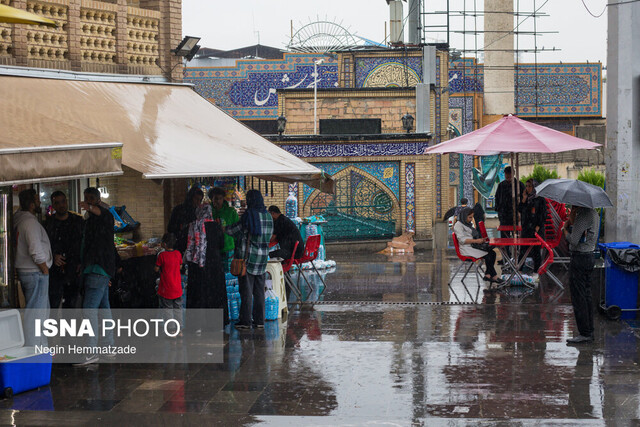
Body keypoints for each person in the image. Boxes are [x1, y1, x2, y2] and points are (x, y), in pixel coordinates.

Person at [75, 187, 116, 366]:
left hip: (97, 269)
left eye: (91, 199)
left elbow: (102, 213)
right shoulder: (92, 220)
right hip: (100, 269)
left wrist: (90, 207)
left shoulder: (104, 216)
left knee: (89, 309)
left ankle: (91, 352)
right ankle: (109, 348)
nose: (88, 202)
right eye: (86, 198)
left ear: (98, 200)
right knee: (104, 308)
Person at [226, 190, 273, 330]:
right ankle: (259, 321)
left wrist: (222, 228)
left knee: (246, 292)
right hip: (263, 259)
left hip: (248, 261)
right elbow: (269, 237)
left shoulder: (249, 216)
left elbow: (233, 231)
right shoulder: (269, 217)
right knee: (259, 292)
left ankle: (245, 321)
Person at [14, 189, 52, 347]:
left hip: (29, 272)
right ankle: (36, 350)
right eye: (37, 200)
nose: (40, 203)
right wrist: (44, 269)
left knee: (36, 313)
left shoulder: (18, 219)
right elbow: (35, 250)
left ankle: (40, 349)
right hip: (35, 273)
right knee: (37, 315)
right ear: (31, 204)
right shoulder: (29, 223)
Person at [563, 206, 600, 344]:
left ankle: (584, 333)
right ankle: (589, 331)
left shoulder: (584, 215)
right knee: (586, 295)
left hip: (580, 258)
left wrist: (565, 231)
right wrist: (572, 216)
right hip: (589, 256)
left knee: (579, 297)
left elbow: (573, 240)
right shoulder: (593, 213)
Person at [45, 191, 83, 309]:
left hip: (73, 269)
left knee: (71, 305)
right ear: (53, 205)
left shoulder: (77, 221)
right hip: (55, 271)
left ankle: (68, 327)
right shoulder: (48, 224)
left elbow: (84, 243)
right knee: (53, 305)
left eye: (63, 201)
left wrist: (81, 262)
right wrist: (52, 256)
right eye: (57, 203)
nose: (61, 205)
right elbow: (43, 246)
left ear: (67, 202)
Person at [453, 207, 504, 284]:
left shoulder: (467, 224)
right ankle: (493, 276)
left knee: (492, 253)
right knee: (489, 255)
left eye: (472, 217)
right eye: (469, 217)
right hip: (466, 249)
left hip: (472, 246)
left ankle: (488, 275)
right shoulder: (458, 225)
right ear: (464, 216)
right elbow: (462, 240)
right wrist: (476, 241)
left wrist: (480, 240)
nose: (471, 219)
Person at [155, 233, 183, 334]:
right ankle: (179, 329)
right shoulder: (178, 254)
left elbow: (156, 268)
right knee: (178, 308)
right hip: (177, 288)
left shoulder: (162, 255)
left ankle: (171, 330)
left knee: (168, 309)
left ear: (165, 244)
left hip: (166, 288)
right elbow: (180, 266)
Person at [518, 179, 547, 273]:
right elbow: (520, 209)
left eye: (529, 186)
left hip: (536, 230)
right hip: (526, 229)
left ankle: (536, 272)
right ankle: (519, 271)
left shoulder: (540, 199)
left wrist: (538, 226)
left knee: (536, 252)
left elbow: (543, 215)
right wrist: (523, 198)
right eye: (526, 186)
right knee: (522, 250)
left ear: (534, 187)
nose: (527, 188)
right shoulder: (527, 199)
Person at [209, 187, 239, 273]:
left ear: (223, 199)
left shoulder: (231, 212)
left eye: (220, 198)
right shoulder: (208, 212)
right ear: (212, 199)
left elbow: (237, 231)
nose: (218, 201)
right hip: (213, 249)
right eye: (216, 199)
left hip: (228, 248)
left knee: (229, 275)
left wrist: (236, 247)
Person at [168, 186, 204, 255]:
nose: (198, 202)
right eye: (196, 199)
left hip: (194, 247)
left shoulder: (199, 212)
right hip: (180, 245)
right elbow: (170, 228)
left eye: (200, 200)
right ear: (190, 198)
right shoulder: (178, 210)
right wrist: (181, 227)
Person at [495, 166, 525, 237]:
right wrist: (499, 212)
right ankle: (505, 248)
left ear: (513, 174)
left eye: (509, 174)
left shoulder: (519, 185)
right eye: (506, 174)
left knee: (518, 237)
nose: (508, 176)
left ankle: (517, 248)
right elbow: (497, 198)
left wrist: (522, 213)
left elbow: (524, 200)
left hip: (516, 215)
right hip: (504, 216)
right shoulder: (501, 185)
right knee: (505, 237)